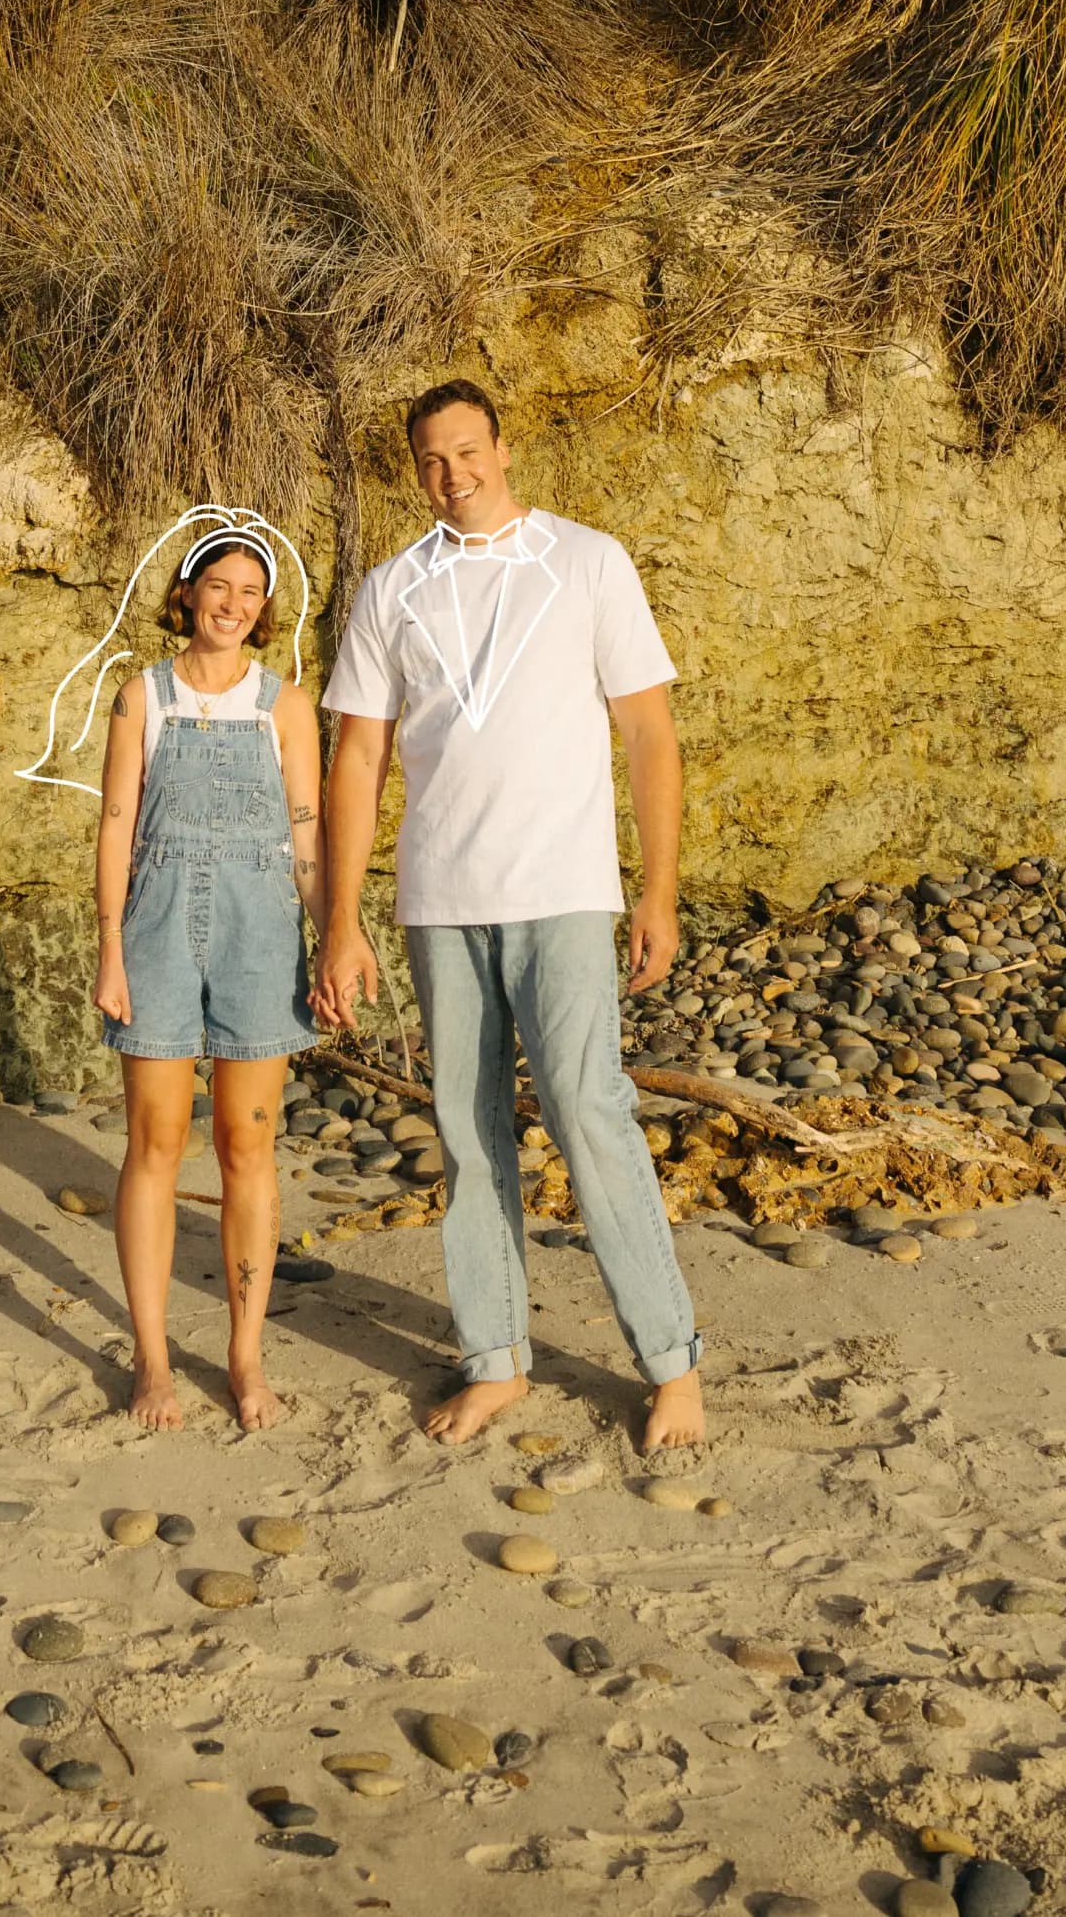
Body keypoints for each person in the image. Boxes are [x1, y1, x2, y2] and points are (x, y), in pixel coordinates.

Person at [315, 381, 704, 1450]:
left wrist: (656, 887)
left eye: (469, 451)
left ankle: (669, 1363)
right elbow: (357, 754)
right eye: (433, 460)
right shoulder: (391, 587)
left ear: (502, 445)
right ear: (417, 468)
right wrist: (339, 920)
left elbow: (650, 735)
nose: (455, 474)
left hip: (566, 890)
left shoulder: (588, 560)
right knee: (468, 1134)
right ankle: (496, 1359)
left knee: (589, 1112)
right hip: (441, 901)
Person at [93, 527, 322, 1430]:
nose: (233, 603)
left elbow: (307, 834)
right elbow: (115, 826)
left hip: (261, 930)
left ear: (265, 611)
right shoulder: (137, 696)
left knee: (245, 1146)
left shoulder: (286, 705)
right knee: (154, 1140)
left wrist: (335, 935)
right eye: (217, 586)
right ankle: (152, 1360)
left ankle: (243, 1355)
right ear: (186, 594)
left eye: (251, 592)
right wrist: (110, 949)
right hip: (154, 924)